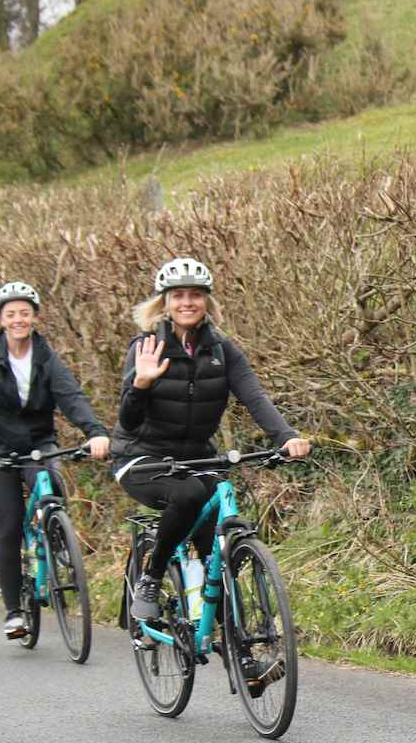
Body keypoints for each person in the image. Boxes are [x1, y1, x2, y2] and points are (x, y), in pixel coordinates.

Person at [112, 258, 310, 621]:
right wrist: (139, 385)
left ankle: (239, 646)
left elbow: (254, 396)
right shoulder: (147, 347)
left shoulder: (222, 350)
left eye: (196, 295)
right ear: (165, 303)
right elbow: (128, 420)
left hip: (197, 459)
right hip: (141, 459)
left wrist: (287, 437)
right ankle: (152, 578)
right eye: (178, 296)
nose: (187, 303)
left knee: (214, 524)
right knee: (187, 494)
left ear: (207, 302)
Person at [0, 282, 111, 639]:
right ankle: (15, 611)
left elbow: (70, 395)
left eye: (24, 313)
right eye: (11, 314)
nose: (18, 320)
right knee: (11, 526)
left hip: (37, 444)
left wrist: (94, 431)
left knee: (50, 488)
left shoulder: (46, 357)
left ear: (35, 317)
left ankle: (59, 542)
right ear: (1, 319)